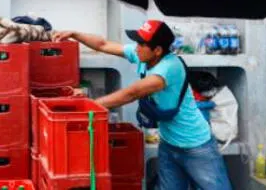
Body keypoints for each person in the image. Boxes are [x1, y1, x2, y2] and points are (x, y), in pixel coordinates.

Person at [53, 19, 232, 190]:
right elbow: (103, 45)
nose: (136, 48)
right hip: (169, 144)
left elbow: (131, 93)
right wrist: (75, 34)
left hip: (196, 147)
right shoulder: (145, 56)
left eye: (141, 44)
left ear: (158, 50)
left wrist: (89, 104)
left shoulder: (168, 69)